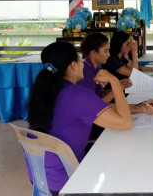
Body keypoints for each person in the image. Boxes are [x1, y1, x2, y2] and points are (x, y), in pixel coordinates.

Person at [25, 42, 132, 195]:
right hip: (65, 176)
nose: (83, 64)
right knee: (119, 157)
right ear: (73, 65)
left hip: (38, 173)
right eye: (80, 60)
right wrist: (114, 81)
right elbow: (125, 123)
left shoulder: (44, 91)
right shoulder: (76, 95)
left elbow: (96, 109)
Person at [78, 33, 153, 150]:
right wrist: (115, 88)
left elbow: (99, 98)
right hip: (91, 127)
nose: (108, 55)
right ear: (93, 53)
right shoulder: (86, 73)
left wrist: (140, 106)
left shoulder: (94, 68)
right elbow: (96, 107)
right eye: (105, 51)